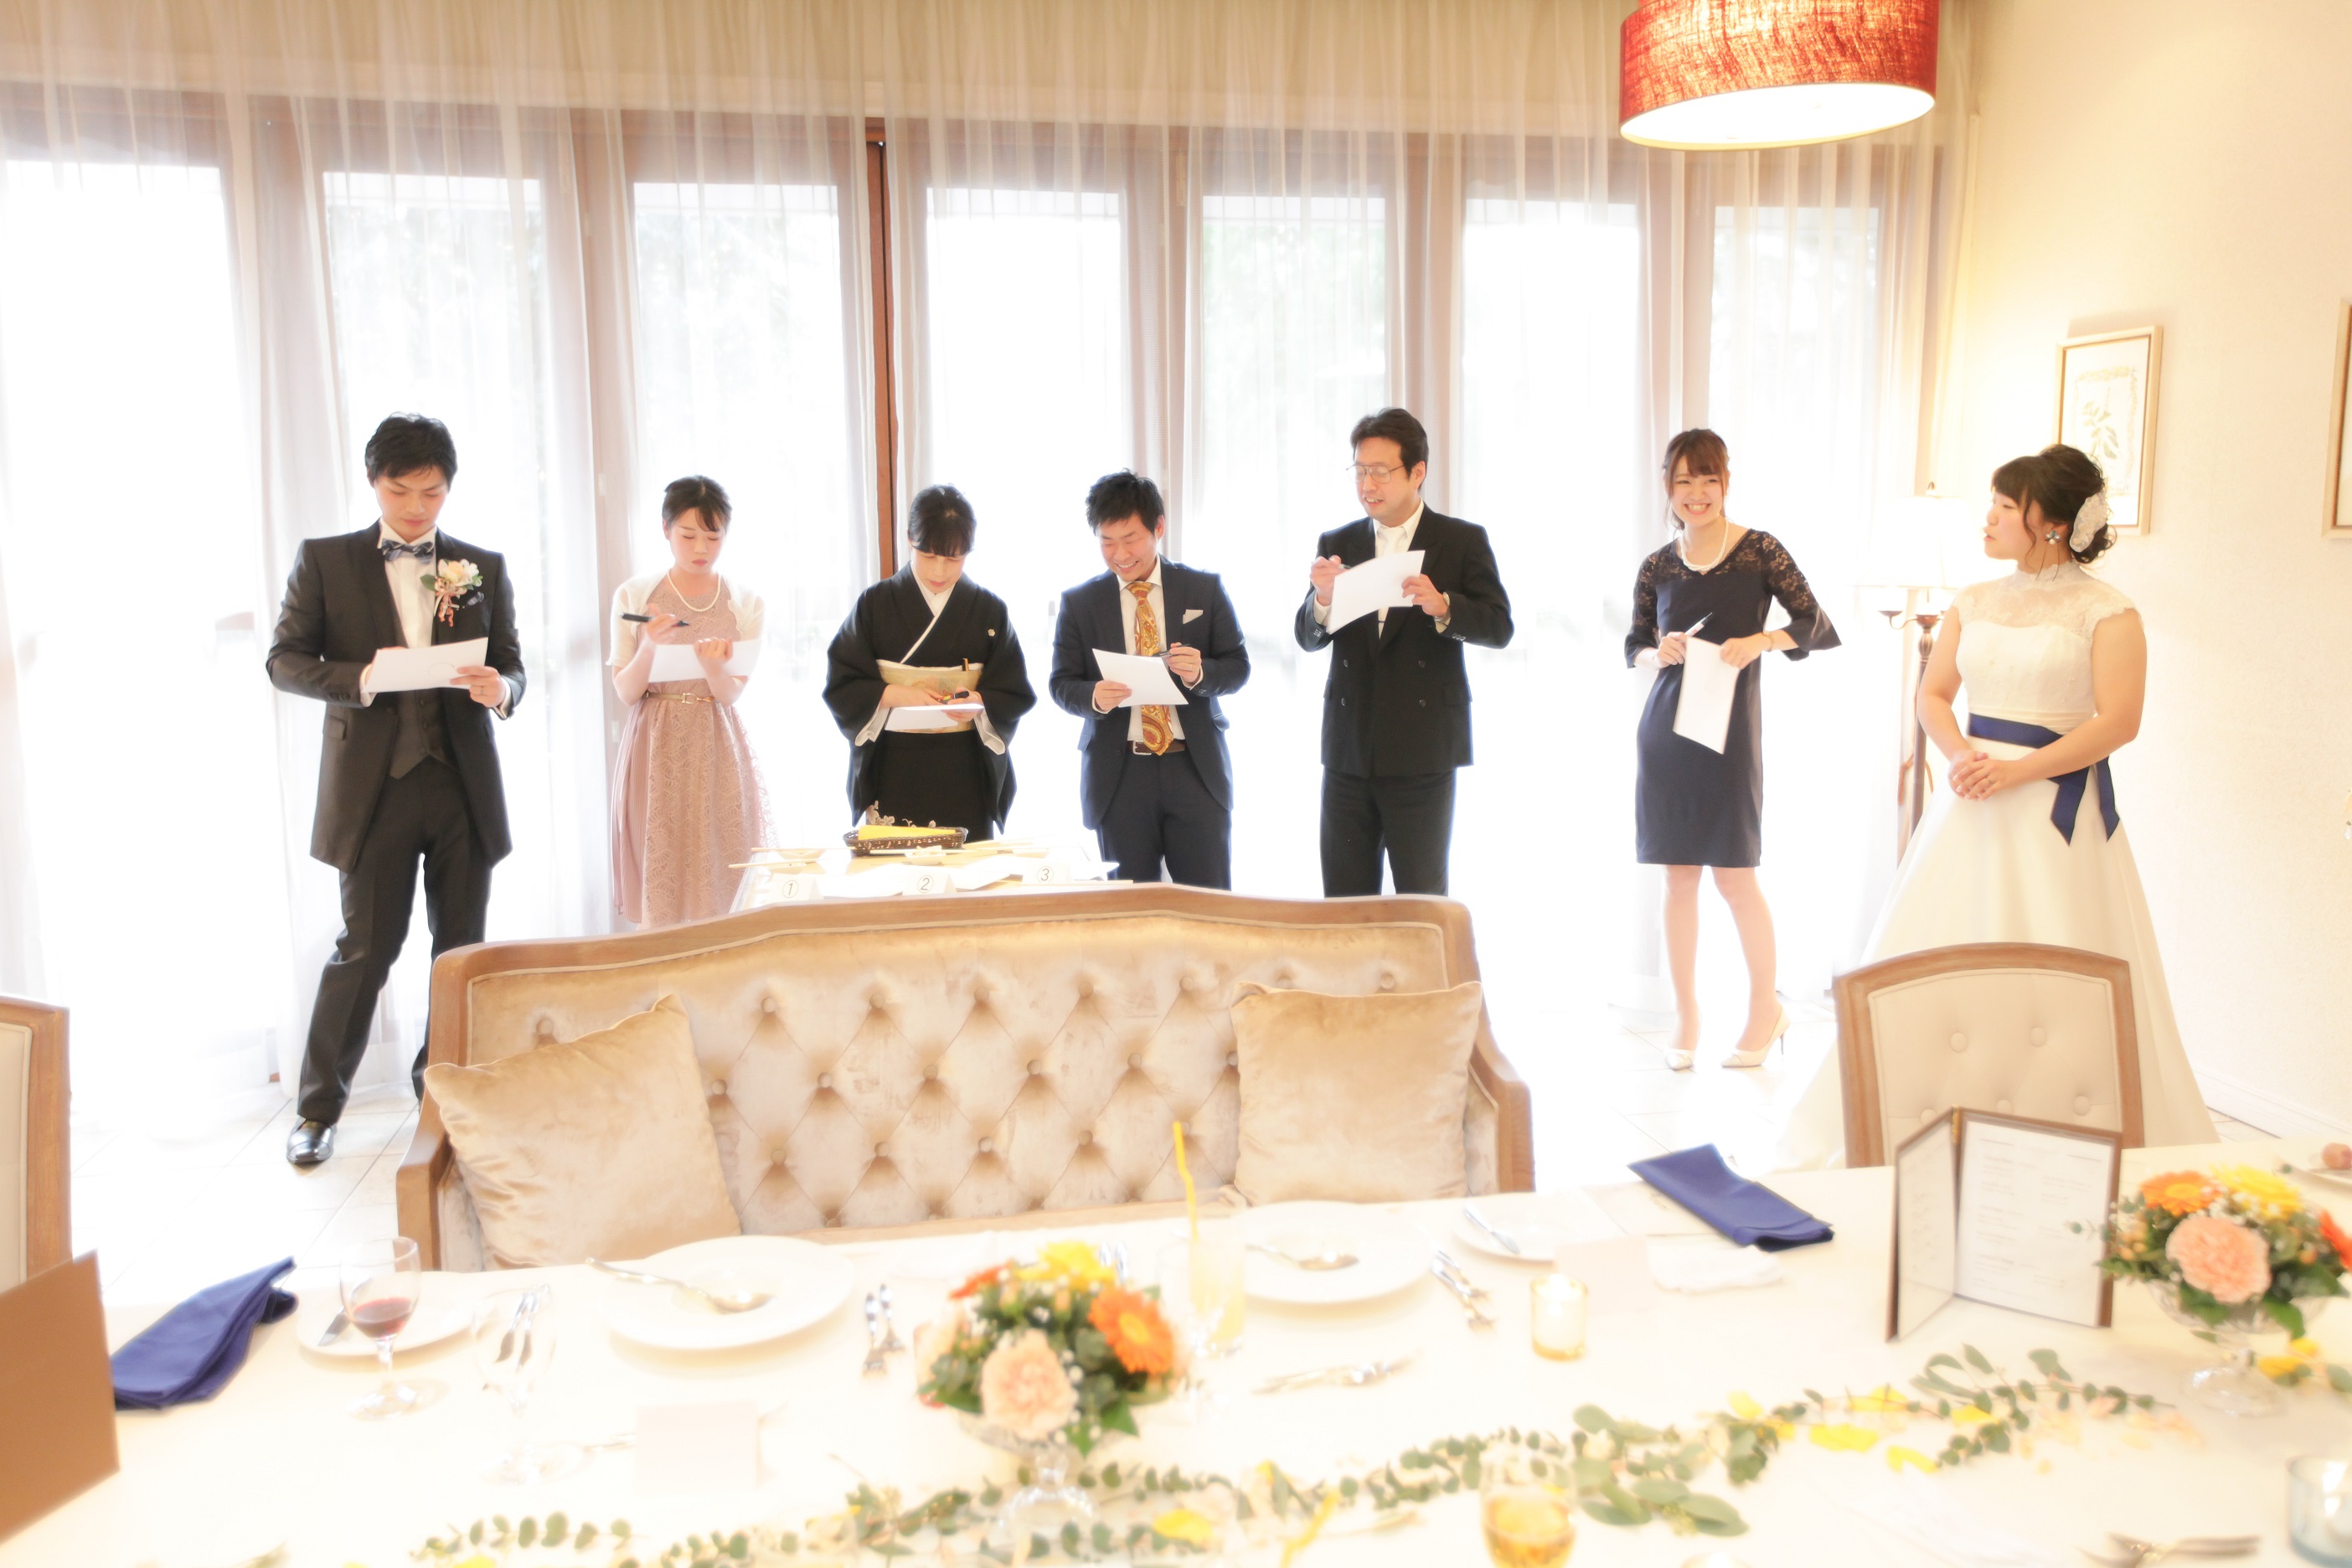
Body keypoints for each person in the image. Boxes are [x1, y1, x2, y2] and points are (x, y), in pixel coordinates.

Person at [1774, 444, 2215, 1165]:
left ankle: (2061, 1134)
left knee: (2055, 963)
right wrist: (1960, 756)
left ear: (2051, 523)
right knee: (1939, 952)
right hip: (1970, 801)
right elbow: (1933, 694)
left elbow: (2118, 722)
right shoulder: (1974, 601)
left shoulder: (2109, 611)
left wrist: (2019, 773)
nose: (1988, 518)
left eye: (2006, 506)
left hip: (2052, 812)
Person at [265, 414, 524, 1166]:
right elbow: (284, 661)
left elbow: (513, 662)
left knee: (460, 951)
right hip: (373, 789)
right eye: (400, 491)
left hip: (461, 786)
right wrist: (362, 678)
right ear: (373, 482)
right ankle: (318, 1109)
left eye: (431, 493)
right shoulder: (326, 561)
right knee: (366, 949)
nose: (416, 507)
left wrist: (501, 689)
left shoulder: (480, 565)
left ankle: (441, 1096)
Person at [1624, 429, 1839, 1070]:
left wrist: (1763, 641)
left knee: (1736, 878)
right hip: (1667, 734)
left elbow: (1814, 623)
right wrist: (1655, 651)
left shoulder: (1759, 550)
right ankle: (1686, 1015)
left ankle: (1764, 1011)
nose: (1696, 493)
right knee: (1678, 877)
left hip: (1731, 736)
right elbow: (1633, 642)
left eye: (1708, 479)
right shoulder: (1658, 565)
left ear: (1725, 482)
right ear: (1668, 487)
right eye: (1683, 481)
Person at [1292, 407, 1513, 896]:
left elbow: (1500, 627)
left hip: (1422, 749)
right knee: (1344, 901)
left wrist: (1445, 607)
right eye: (1360, 471)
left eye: (1380, 471)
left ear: (1417, 472)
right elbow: (1307, 637)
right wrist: (1322, 601)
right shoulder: (1338, 542)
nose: (1367, 485)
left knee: (1420, 899)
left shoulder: (1460, 540)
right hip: (1349, 750)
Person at [1049, 470, 1250, 886]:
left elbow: (1238, 666)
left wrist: (1201, 672)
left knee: (1207, 902)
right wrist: (1094, 697)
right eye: (1107, 541)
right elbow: (1062, 684)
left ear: (1158, 528)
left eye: (1130, 539)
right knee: (1130, 907)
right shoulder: (1080, 603)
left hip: (1194, 769)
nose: (1120, 554)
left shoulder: (1203, 589)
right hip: (1120, 773)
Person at [823, 485, 1034, 838]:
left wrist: (978, 700)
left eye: (953, 559)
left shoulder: (989, 610)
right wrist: (895, 694)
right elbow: (843, 684)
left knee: (965, 866)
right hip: (894, 763)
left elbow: (1012, 690)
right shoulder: (874, 604)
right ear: (910, 539)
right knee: (898, 864)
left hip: (964, 766)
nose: (939, 570)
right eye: (929, 555)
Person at [607, 476, 769, 926]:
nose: (701, 548)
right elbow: (626, 692)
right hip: (654, 742)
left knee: (719, 870)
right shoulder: (634, 595)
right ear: (665, 529)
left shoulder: (745, 601)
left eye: (713, 537)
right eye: (688, 535)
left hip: (716, 740)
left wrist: (714, 668)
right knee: (662, 867)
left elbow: (730, 693)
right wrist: (647, 646)